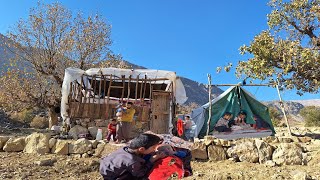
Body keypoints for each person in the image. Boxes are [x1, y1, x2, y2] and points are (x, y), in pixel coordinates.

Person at [99, 133, 165, 180]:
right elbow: (140, 174)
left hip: (106, 167)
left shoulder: (126, 148)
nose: (155, 149)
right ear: (141, 149)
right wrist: (152, 160)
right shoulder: (132, 161)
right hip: (112, 176)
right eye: (153, 147)